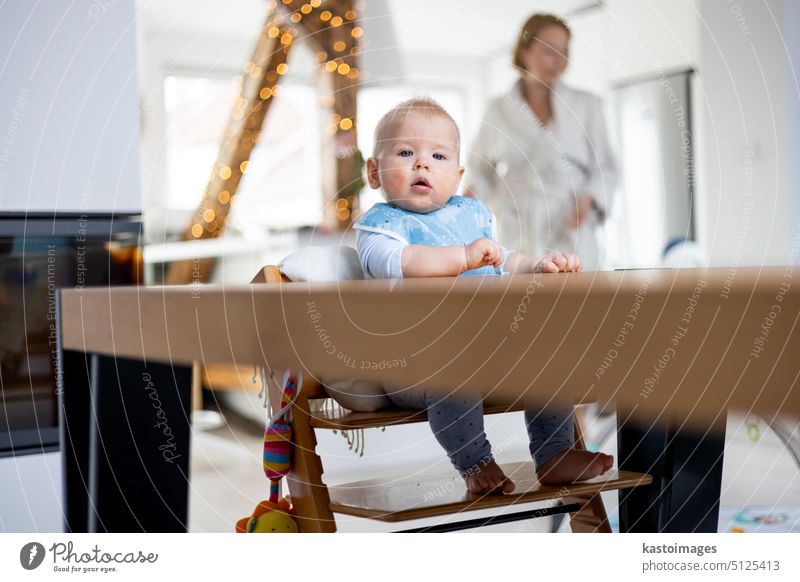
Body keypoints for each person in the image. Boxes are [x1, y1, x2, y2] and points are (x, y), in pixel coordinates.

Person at [354, 97, 613, 494]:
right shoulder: (381, 228)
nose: (422, 164)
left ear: (457, 177)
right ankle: (476, 463)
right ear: (374, 172)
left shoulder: (470, 216)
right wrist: (462, 256)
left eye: (438, 156)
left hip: (489, 354)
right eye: (406, 152)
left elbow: (503, 259)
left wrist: (538, 266)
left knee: (545, 359)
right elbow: (403, 263)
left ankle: (555, 452)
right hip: (415, 364)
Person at [466, 13, 618, 270]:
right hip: (516, 227)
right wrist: (469, 201)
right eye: (549, 51)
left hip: (570, 225)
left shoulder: (587, 105)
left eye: (564, 51)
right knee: (517, 305)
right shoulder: (498, 109)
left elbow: (607, 168)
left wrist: (589, 200)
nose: (559, 61)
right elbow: (479, 169)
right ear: (524, 53)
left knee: (574, 303)